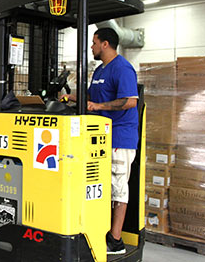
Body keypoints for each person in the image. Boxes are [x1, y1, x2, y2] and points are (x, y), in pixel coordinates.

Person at [61, 28, 138, 255]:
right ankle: (97, 231)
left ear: (105, 44)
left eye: (94, 43)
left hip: (119, 137)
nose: (91, 47)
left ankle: (116, 241)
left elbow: (130, 101)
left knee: (118, 188)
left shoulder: (122, 68)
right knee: (100, 188)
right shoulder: (99, 70)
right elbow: (90, 98)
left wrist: (99, 107)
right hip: (99, 138)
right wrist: (70, 97)